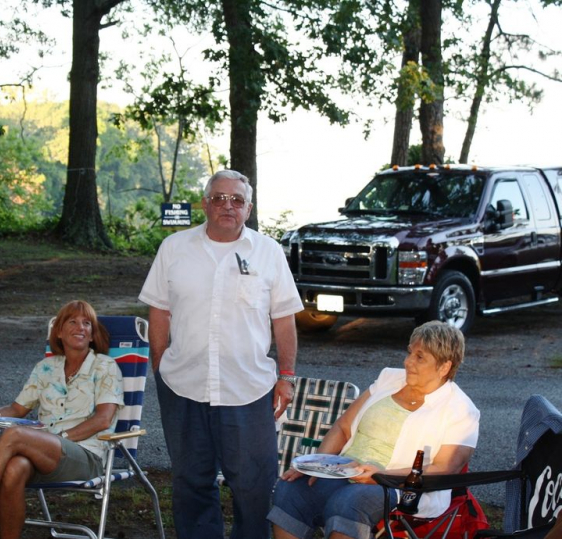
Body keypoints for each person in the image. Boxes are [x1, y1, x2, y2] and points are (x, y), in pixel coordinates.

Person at [139, 169, 304, 539]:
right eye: (219, 198)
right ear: (205, 204)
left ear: (249, 208)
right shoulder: (174, 248)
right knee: (191, 482)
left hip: (248, 389)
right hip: (183, 386)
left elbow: (284, 319)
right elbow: (159, 310)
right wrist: (160, 365)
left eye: (236, 200)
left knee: (253, 486)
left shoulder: (268, 252)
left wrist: (287, 376)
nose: (227, 206)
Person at [0, 300, 124, 539]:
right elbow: (17, 409)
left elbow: (103, 419)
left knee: (15, 435)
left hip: (85, 457)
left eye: (87, 323)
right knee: (14, 468)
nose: (80, 327)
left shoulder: (105, 367)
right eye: (72, 321)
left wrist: (58, 438)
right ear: (58, 332)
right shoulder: (45, 368)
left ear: (92, 335)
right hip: (44, 455)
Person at [268, 321, 480, 539]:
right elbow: (343, 427)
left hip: (400, 486)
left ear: (444, 366)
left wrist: (381, 476)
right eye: (409, 353)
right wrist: (318, 465)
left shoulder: (460, 409)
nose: (408, 362)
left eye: (420, 357)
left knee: (351, 502)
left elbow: (445, 468)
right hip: (346, 471)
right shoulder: (390, 378)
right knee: (292, 490)